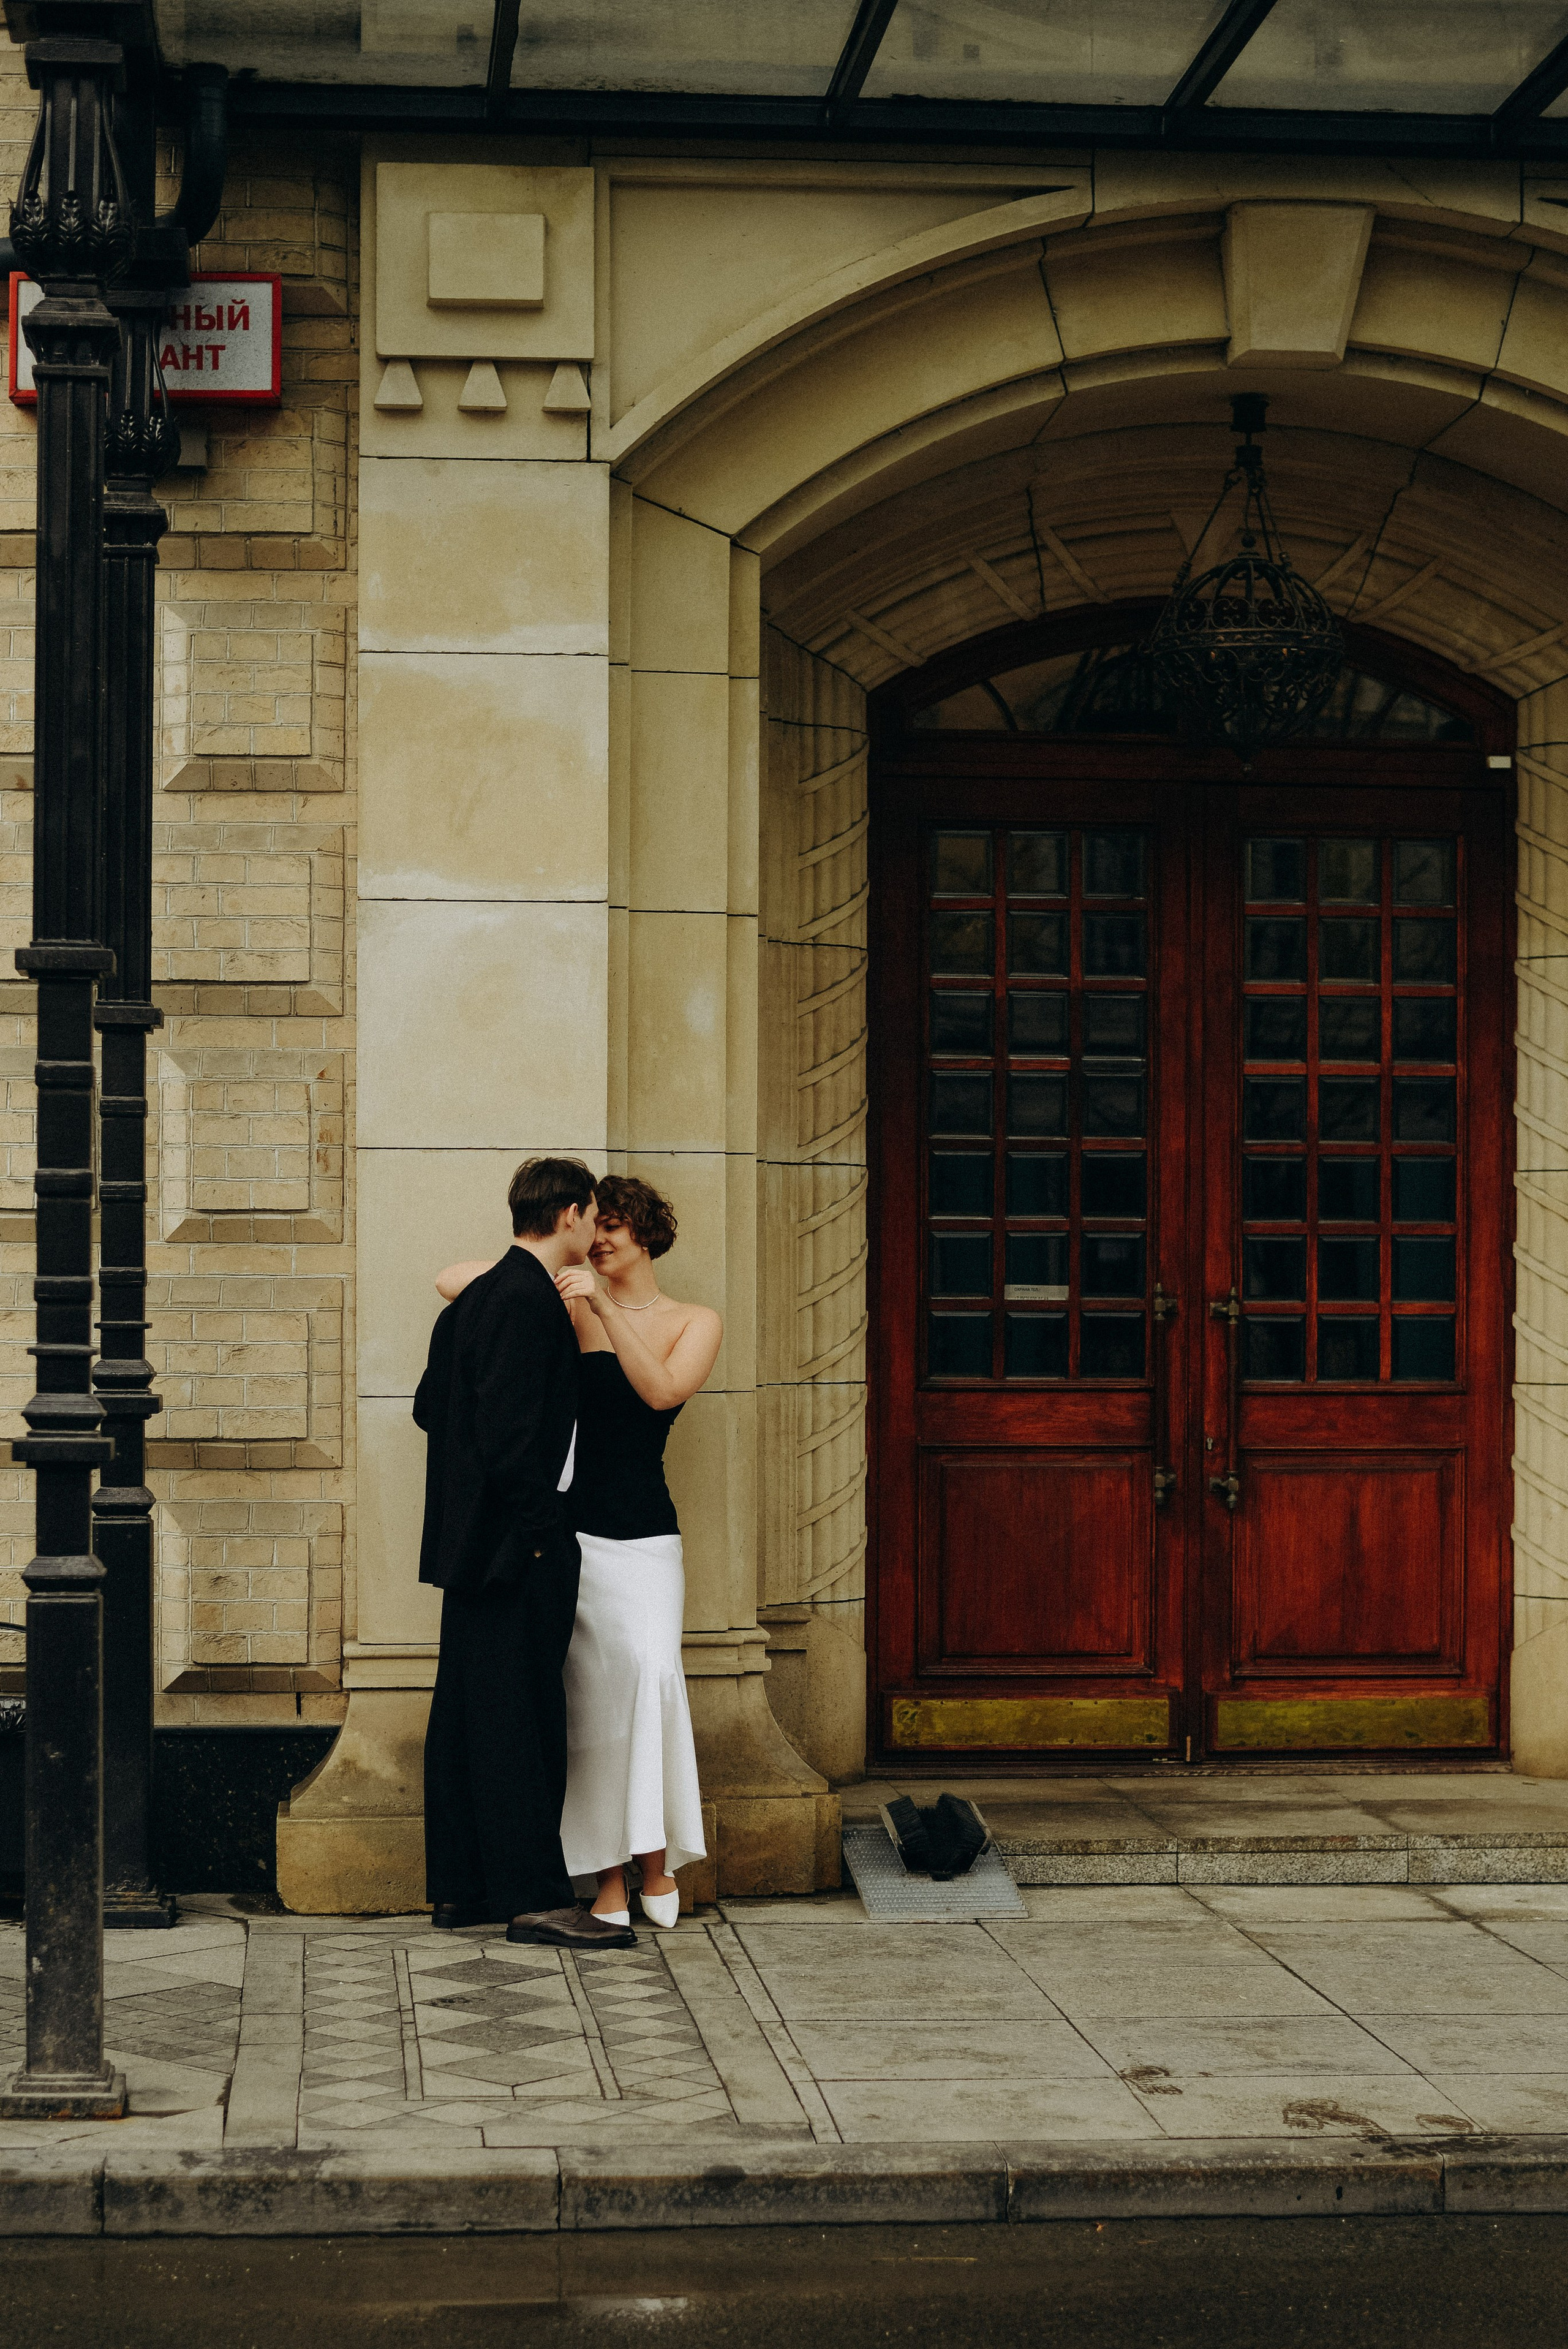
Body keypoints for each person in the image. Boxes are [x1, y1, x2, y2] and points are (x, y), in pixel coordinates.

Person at [435, 1173, 721, 1930]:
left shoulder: (693, 1319)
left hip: (646, 1538)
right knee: (589, 1709)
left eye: (618, 1228)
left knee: (651, 1685)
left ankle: (656, 1860)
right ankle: (607, 1883)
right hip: (570, 1534)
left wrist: (599, 1305)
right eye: (597, 1224)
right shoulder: (561, 1299)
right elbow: (452, 1281)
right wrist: (561, 1285)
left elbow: (660, 1392)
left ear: (648, 1235)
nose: (601, 1240)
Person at [414, 1156, 636, 1951]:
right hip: (518, 1549)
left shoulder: (479, 1299)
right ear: (572, 1213)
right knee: (520, 1724)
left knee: (470, 1716)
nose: (594, 1227)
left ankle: (462, 1887)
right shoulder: (526, 1302)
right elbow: (512, 1442)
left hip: (474, 1545)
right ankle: (536, 1898)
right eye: (592, 1215)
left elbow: (428, 1409)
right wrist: (547, 1535)